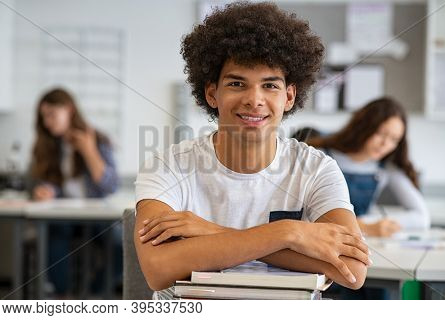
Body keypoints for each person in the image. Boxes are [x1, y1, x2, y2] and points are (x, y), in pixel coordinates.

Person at [134, 2, 370, 299]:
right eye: (236, 83)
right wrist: (288, 233)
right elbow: (158, 269)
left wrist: (210, 231)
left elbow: (352, 269)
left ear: (289, 96)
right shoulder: (168, 167)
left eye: (269, 86)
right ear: (212, 93)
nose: (254, 99)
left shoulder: (317, 169)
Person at [29, 88, 119, 296]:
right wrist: (46, 191)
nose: (47, 122)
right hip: (62, 215)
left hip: (95, 214)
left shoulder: (98, 140)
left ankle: (93, 296)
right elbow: (44, 182)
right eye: (43, 117)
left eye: (52, 114)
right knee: (54, 234)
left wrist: (89, 151)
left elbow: (109, 187)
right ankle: (64, 296)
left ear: (69, 110)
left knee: (119, 245)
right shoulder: (47, 145)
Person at [306, 97, 430, 238]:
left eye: (394, 139)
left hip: (360, 241)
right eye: (381, 134)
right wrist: (361, 226)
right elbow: (300, 215)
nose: (385, 144)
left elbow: (422, 217)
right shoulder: (319, 156)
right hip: (320, 238)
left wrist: (371, 223)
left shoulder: (385, 168)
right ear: (364, 126)